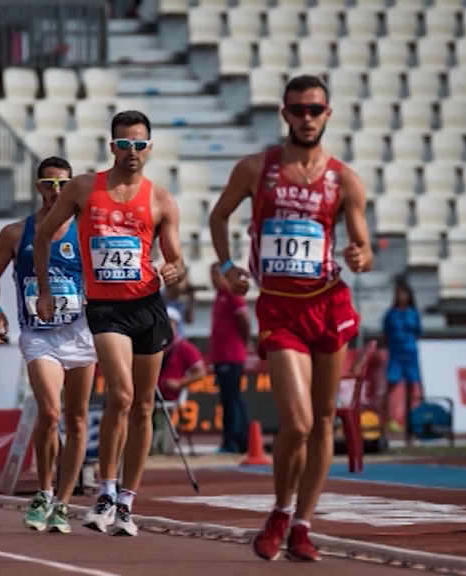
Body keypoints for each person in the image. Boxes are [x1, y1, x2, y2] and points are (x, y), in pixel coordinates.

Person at [207, 75, 373, 562]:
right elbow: (219, 217)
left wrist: (361, 255)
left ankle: (303, 524)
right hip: (279, 307)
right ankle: (280, 510)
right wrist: (226, 265)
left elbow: (361, 243)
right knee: (297, 423)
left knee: (324, 422)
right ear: (284, 114)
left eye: (314, 109)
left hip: (329, 303)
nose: (306, 117)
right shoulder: (257, 168)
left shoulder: (345, 180)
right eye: (297, 109)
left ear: (327, 113)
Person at [33, 110, 185, 537]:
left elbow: (176, 260)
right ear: (112, 145)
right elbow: (44, 234)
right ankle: (105, 490)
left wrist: (175, 270)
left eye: (140, 144)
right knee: (120, 395)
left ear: (149, 148)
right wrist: (45, 290)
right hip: (105, 309)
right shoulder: (84, 188)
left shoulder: (160, 199)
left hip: (147, 306)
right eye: (124, 143)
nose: (132, 151)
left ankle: (126, 503)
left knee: (142, 407)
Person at [0, 157, 97, 534]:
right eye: (49, 185)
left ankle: (63, 503)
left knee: (77, 418)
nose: (56, 192)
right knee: (50, 413)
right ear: (38, 187)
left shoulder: (85, 232)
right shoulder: (16, 233)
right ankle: (44, 492)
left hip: (80, 333)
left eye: (64, 185)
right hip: (39, 335)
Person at [208, 261, 251, 454]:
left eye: (215, 275)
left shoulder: (232, 295)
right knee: (229, 399)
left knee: (232, 399)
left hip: (231, 355)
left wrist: (243, 341)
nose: (213, 280)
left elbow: (244, 320)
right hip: (221, 356)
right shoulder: (219, 297)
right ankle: (237, 439)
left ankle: (234, 441)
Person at [153, 307, 206, 454]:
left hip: (169, 395)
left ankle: (160, 447)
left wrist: (180, 383)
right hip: (149, 393)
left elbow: (201, 371)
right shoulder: (153, 344)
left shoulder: (184, 347)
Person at [382, 282, 423, 437]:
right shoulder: (391, 314)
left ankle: (412, 422)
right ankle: (387, 421)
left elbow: (419, 331)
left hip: (411, 353)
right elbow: (385, 333)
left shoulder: (414, 313)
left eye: (404, 294)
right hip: (395, 354)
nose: (402, 297)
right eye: (399, 294)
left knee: (413, 388)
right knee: (390, 387)